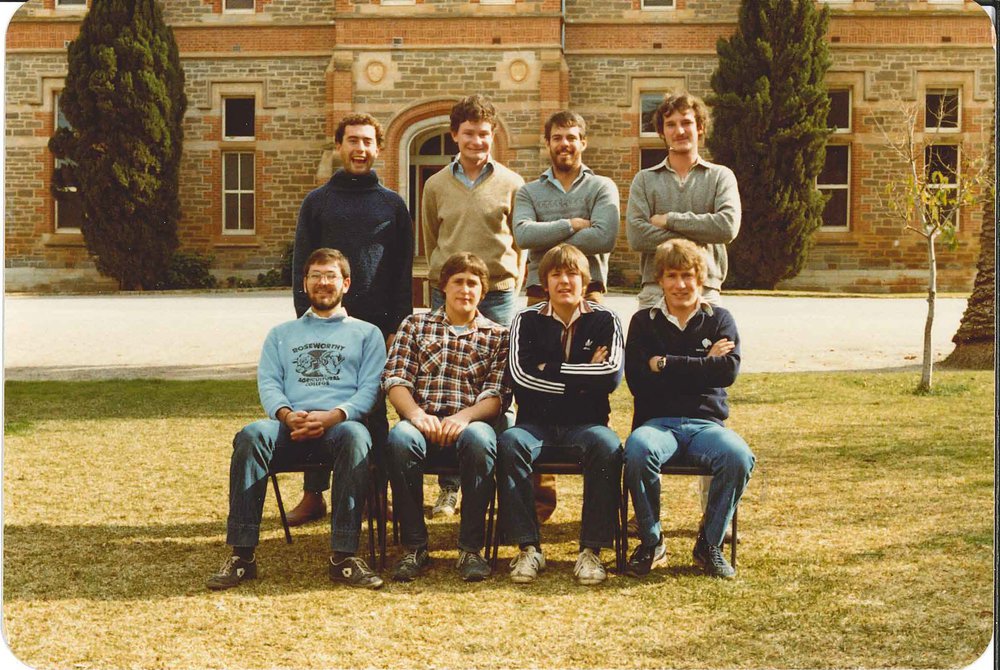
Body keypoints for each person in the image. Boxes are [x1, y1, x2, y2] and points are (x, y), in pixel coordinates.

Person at [206, 248, 387, 591]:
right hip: (289, 427)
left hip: (338, 428)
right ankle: (242, 556)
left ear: (345, 283)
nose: (323, 282)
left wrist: (333, 416)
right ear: (304, 284)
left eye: (331, 275)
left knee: (356, 435)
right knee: (251, 434)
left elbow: (370, 391)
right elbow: (269, 382)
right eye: (315, 275)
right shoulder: (281, 334)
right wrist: (288, 416)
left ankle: (344, 556)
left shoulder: (367, 334)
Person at [287, 113, 413, 527]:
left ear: (378, 148)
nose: (360, 149)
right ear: (339, 146)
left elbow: (401, 269)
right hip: (323, 322)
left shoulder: (392, 205)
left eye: (367, 142)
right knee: (317, 399)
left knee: (372, 409)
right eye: (352, 141)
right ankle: (313, 494)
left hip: (376, 327)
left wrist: (399, 326)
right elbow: (300, 263)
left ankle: (375, 493)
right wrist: (303, 319)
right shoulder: (317, 202)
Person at [625, 91, 741, 527]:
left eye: (687, 123)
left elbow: (727, 226)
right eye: (671, 124)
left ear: (699, 128)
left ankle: (716, 509)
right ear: (663, 131)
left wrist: (669, 221)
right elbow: (636, 236)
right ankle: (644, 509)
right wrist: (697, 227)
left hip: (706, 288)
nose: (679, 131)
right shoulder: (644, 180)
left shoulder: (719, 176)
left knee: (708, 393)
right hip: (654, 291)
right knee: (649, 389)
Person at [622, 239, 754, 579]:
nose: (680, 285)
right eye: (671, 276)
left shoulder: (720, 319)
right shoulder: (643, 322)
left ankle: (709, 544)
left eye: (687, 276)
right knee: (637, 449)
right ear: (660, 280)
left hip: (706, 426)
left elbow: (727, 372)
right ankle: (653, 543)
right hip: (657, 424)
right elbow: (637, 380)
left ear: (701, 279)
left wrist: (663, 363)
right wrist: (702, 365)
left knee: (738, 456)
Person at [512, 110, 620, 523]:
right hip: (540, 294)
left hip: (590, 293)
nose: (565, 144)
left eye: (573, 137)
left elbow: (606, 235)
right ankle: (540, 503)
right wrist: (574, 223)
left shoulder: (601, 185)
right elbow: (523, 236)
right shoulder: (529, 190)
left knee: (590, 390)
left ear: (583, 142)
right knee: (536, 396)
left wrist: (549, 230)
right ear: (548, 143)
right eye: (558, 137)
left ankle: (596, 501)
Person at [421, 94, 525, 516]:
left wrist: (509, 279)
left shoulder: (512, 183)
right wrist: (445, 281)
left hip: (497, 294)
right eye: (469, 134)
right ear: (455, 136)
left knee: (496, 389)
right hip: (445, 291)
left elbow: (520, 243)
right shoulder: (434, 185)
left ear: (493, 134)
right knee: (446, 386)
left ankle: (496, 481)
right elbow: (432, 237)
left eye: (484, 133)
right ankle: (450, 484)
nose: (477, 141)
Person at [497, 244, 624, 586]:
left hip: (587, 424)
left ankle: (591, 551)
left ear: (584, 281)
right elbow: (520, 378)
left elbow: (610, 377)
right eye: (556, 275)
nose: (564, 281)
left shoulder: (605, 319)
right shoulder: (525, 320)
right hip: (535, 425)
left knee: (608, 446)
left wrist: (549, 369)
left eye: (572, 275)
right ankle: (528, 548)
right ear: (545, 282)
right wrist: (580, 380)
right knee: (510, 443)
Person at [383, 253, 511, 582]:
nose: (465, 290)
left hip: (470, 426)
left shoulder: (498, 336)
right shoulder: (415, 326)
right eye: (458, 282)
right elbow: (395, 380)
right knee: (399, 438)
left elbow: (497, 395)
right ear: (443, 288)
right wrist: (414, 414)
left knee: (482, 439)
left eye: (473, 284)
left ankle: (470, 549)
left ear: (483, 292)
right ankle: (414, 547)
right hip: (421, 423)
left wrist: (464, 418)